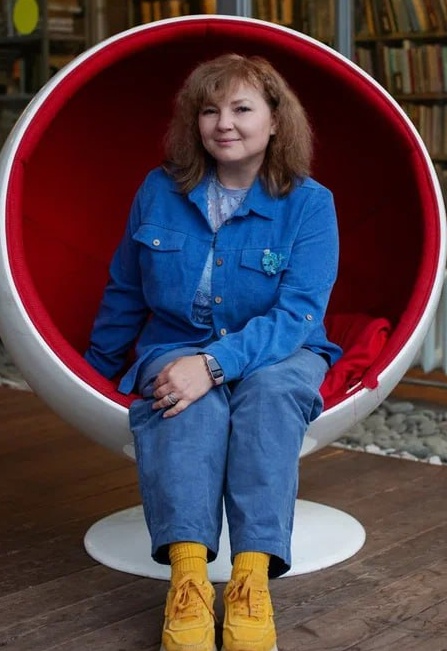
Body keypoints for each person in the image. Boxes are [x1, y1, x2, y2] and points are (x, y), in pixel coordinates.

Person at [85, 53, 342, 651]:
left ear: (275, 121)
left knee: (271, 394)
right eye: (209, 110)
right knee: (182, 401)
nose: (224, 123)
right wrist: (90, 374)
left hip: (282, 349)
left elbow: (298, 313)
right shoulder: (159, 189)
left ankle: (251, 582)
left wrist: (215, 365)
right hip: (175, 341)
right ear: (194, 122)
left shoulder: (310, 204)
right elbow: (126, 288)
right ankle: (189, 582)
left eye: (241, 109)